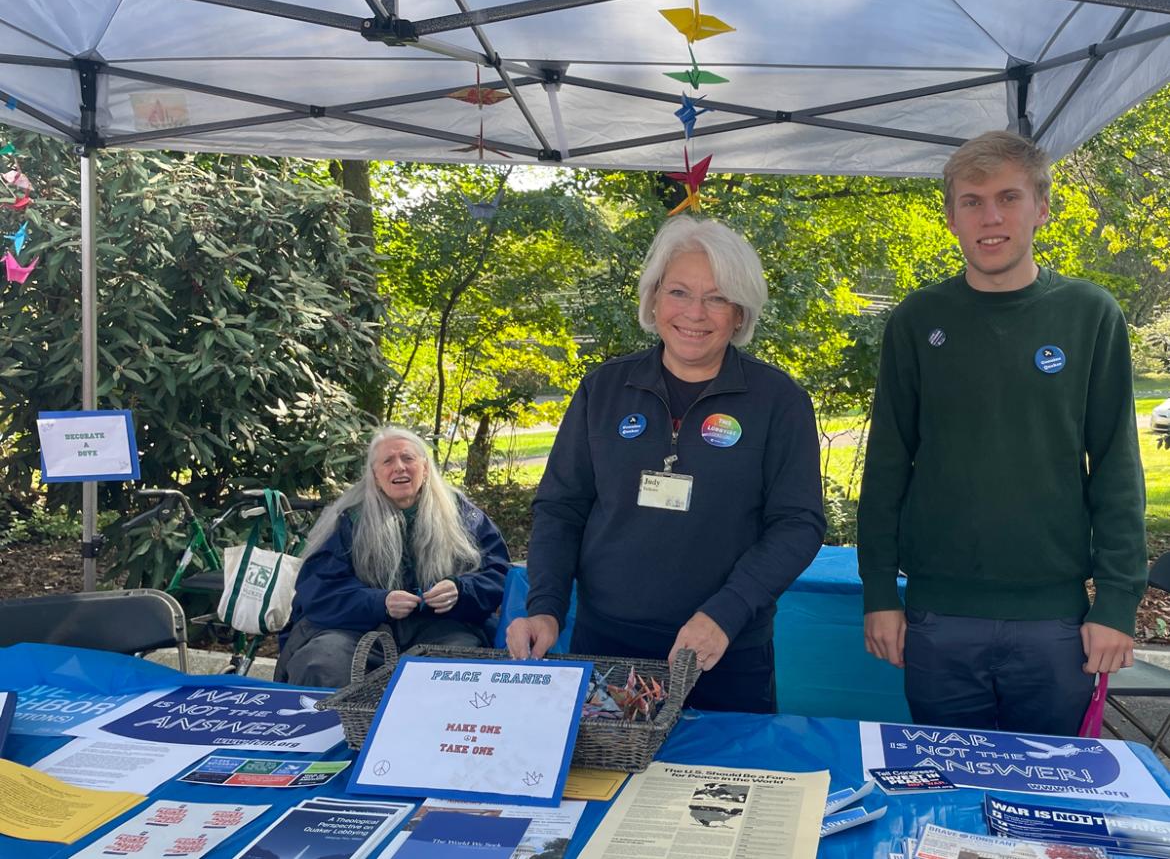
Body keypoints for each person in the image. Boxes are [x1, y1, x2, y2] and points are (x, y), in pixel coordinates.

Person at [858, 130, 1147, 735]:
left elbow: (1117, 467)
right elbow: (887, 464)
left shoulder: (1089, 314)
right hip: (938, 616)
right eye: (972, 201)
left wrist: (1118, 602)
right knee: (946, 799)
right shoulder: (918, 320)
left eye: (1008, 198)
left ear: (1040, 208)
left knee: (1046, 802)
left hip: (1055, 621)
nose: (991, 218)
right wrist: (880, 591)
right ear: (951, 217)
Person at [506, 216, 825, 714]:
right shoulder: (604, 389)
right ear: (653, 300)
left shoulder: (777, 400)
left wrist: (725, 613)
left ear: (740, 314)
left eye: (717, 297)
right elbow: (560, 508)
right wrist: (544, 608)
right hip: (606, 646)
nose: (695, 313)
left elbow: (798, 524)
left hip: (724, 650)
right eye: (678, 292)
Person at [275, 426, 510, 687]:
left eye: (408, 458)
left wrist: (460, 590)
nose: (399, 467)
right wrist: (379, 602)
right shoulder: (349, 519)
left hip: (443, 627)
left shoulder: (462, 515)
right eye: (388, 461)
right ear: (375, 476)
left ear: (425, 468)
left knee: (458, 664)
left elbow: (498, 574)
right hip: (357, 629)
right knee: (321, 662)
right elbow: (319, 591)